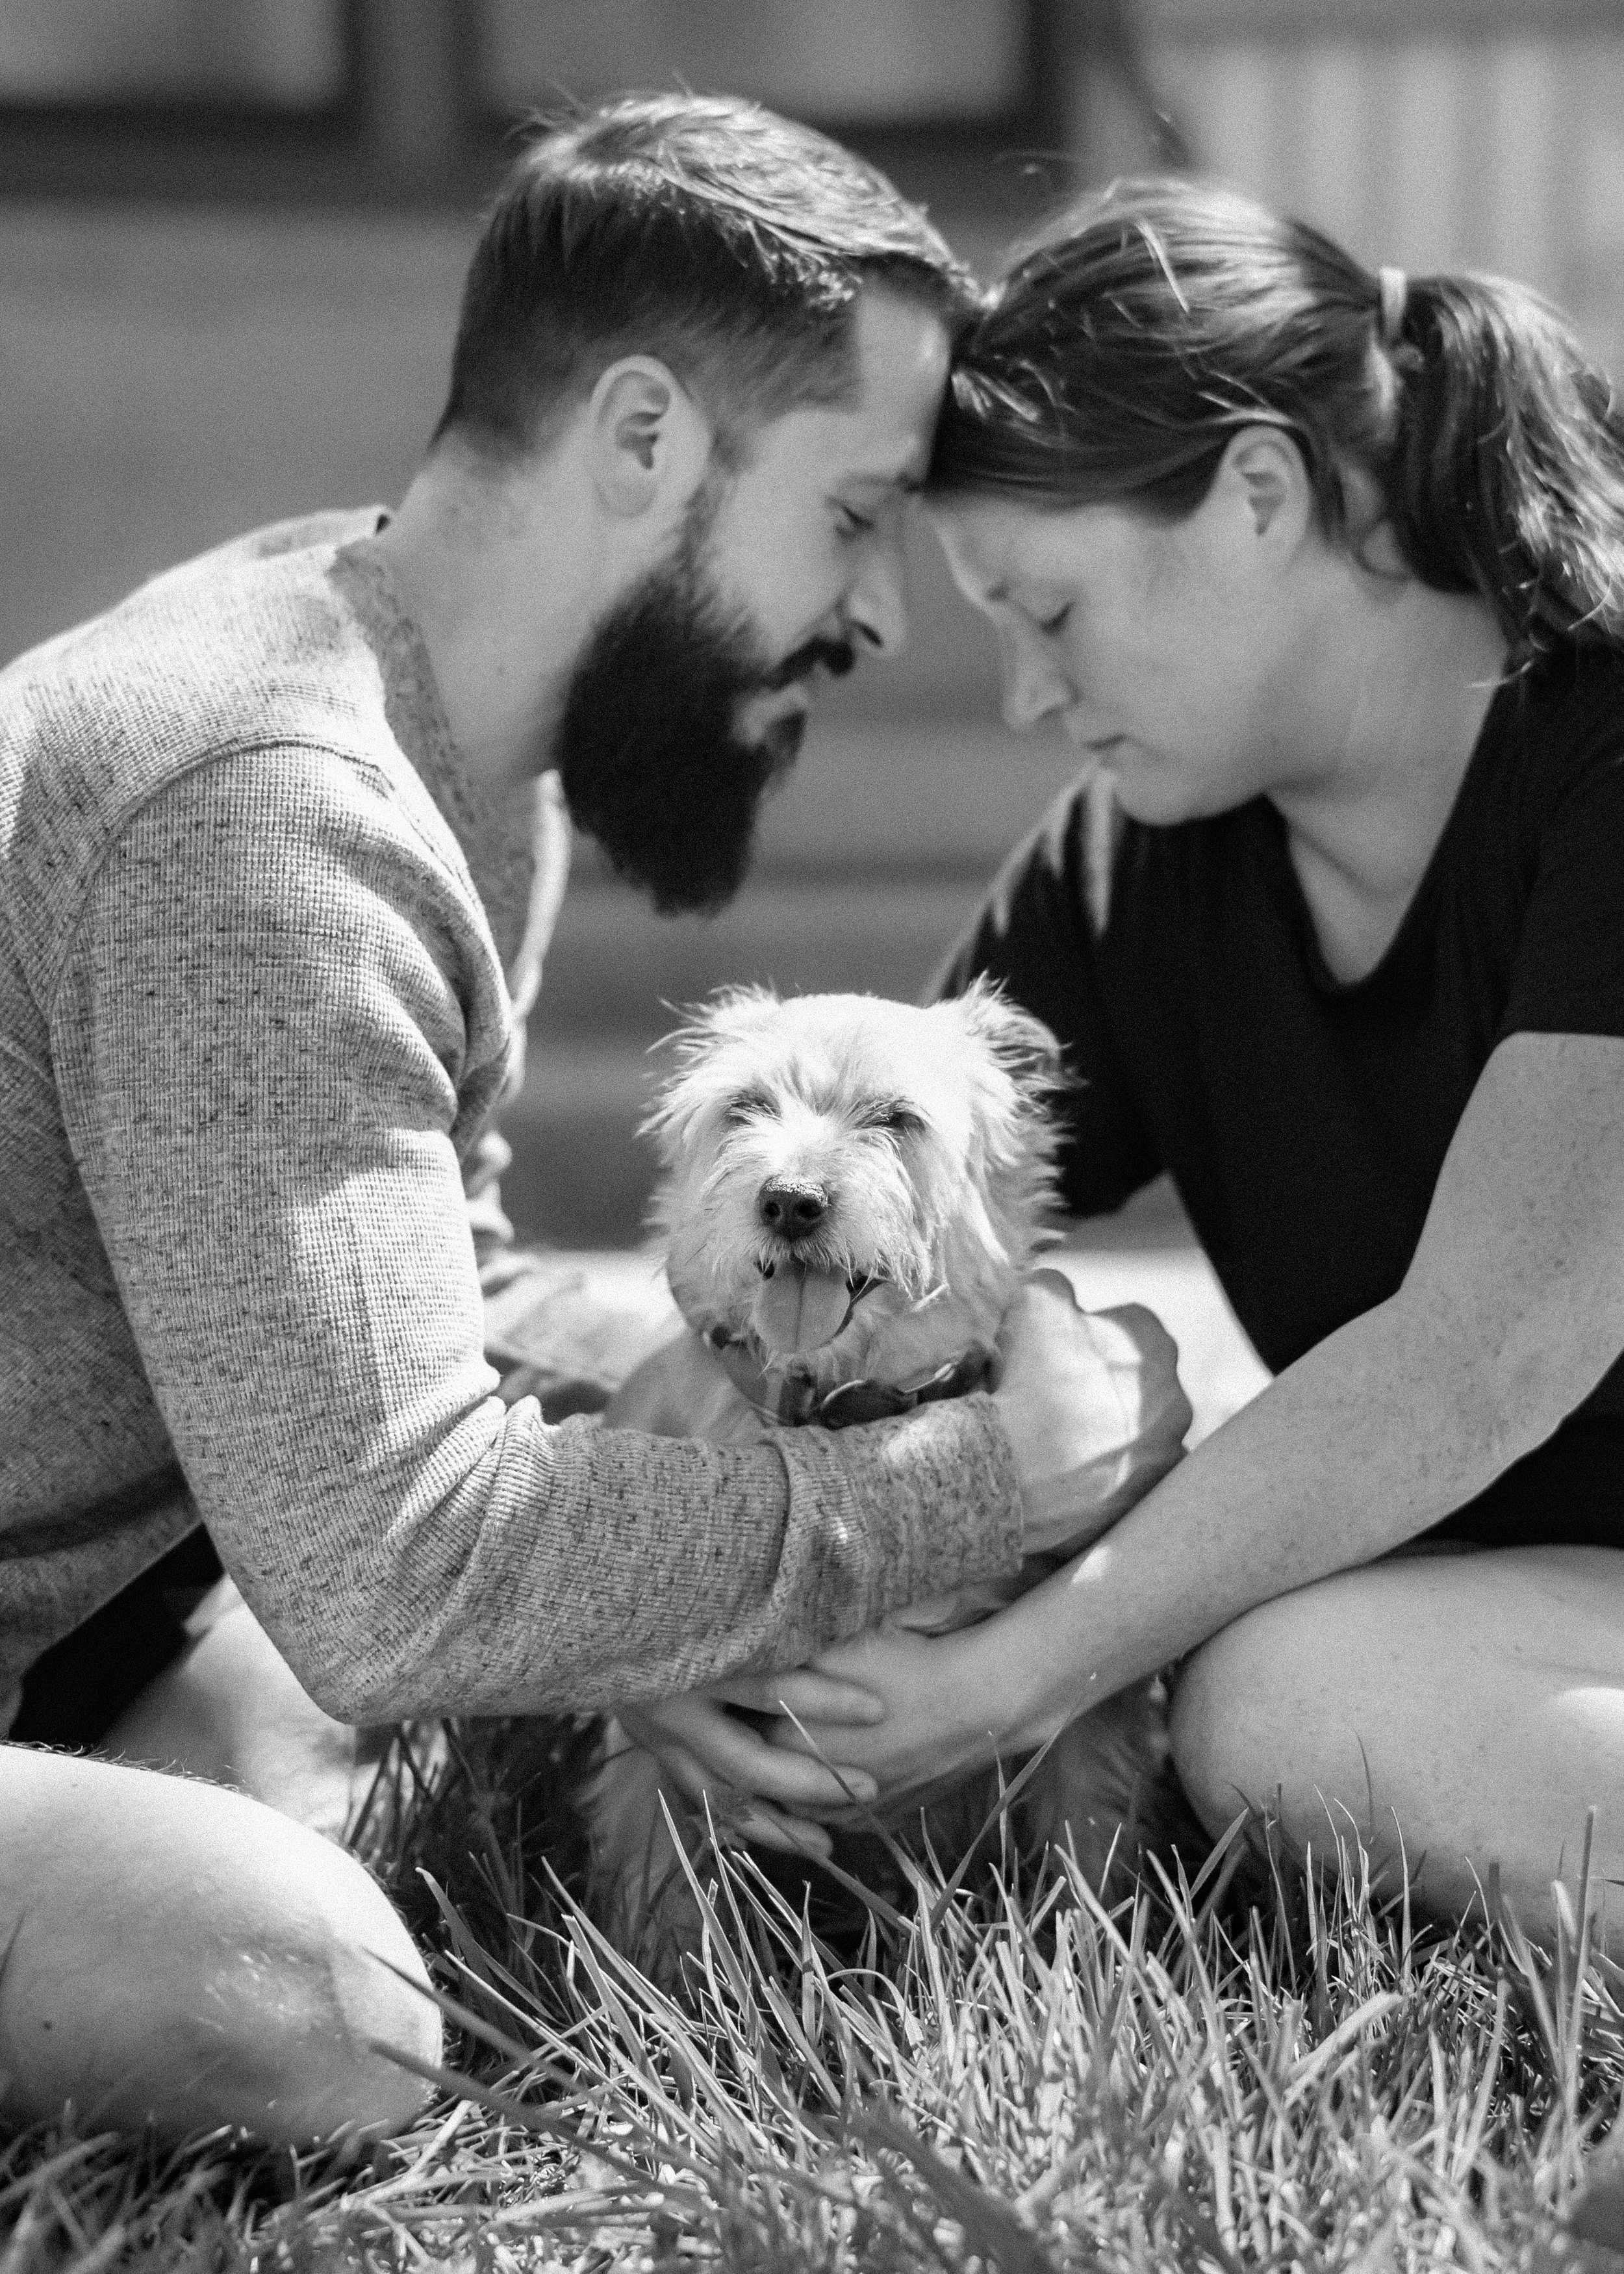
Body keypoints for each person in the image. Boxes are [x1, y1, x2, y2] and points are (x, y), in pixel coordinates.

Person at [0, 104, 1186, 2144]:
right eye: (854, 513)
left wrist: (714, 1474)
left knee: (368, 1761)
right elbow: (398, 1565)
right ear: (642, 440)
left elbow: (418, 1310)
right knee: (323, 2006)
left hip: (112, 1591)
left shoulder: (435, 729)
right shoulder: (264, 813)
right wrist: (974, 1481)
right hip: (151, 1594)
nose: (887, 617)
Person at [659, 177, 1624, 1937]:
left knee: (1268, 1696)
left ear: (1258, 491)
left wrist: (1014, 1674)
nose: (1029, 694)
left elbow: (1484, 1355)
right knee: (1274, 1681)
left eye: (1053, 612)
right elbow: (896, 1255)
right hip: (1546, 1611)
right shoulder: (1138, 865)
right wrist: (671, 1575)